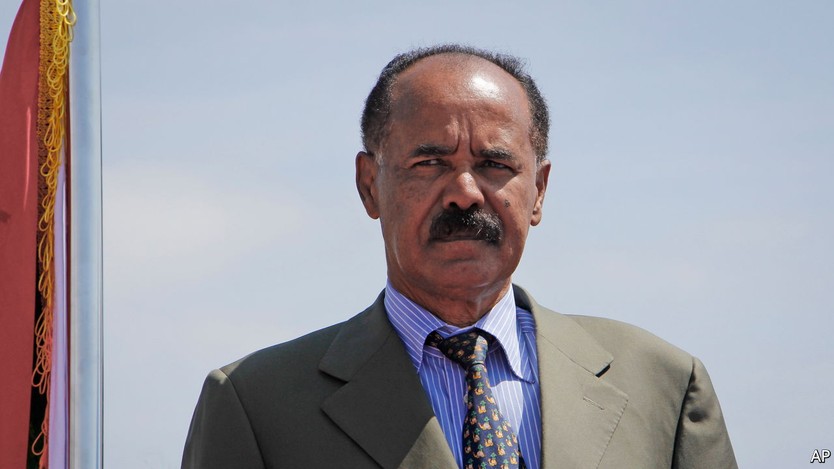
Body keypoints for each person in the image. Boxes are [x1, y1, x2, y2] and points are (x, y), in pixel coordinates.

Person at [182, 44, 737, 469]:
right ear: (370, 185)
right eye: (430, 163)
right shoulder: (257, 404)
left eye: (495, 163)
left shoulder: (662, 385)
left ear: (539, 191)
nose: (465, 192)